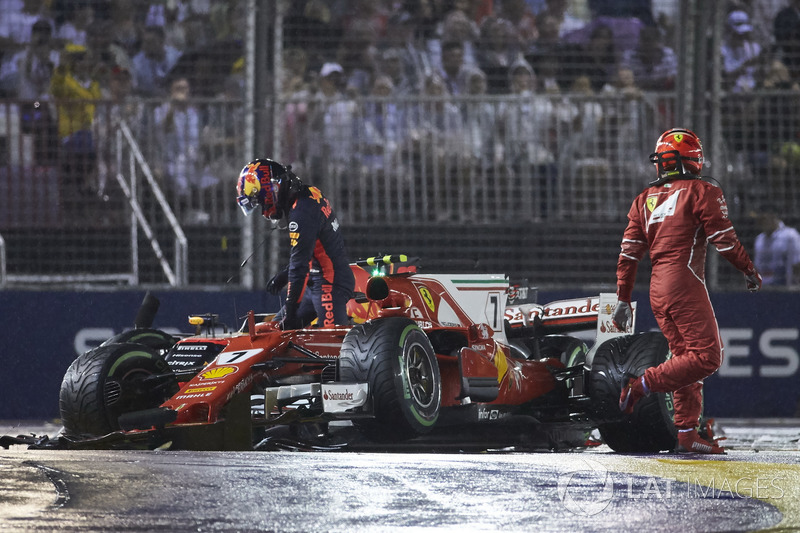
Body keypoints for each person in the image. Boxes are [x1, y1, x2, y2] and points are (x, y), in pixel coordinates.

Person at [612, 128, 762, 454]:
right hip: (685, 282)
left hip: (657, 289)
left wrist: (623, 299)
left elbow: (628, 255)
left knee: (685, 358)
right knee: (708, 357)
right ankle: (640, 386)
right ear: (695, 159)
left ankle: (686, 433)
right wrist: (749, 270)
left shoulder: (642, 200)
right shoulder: (701, 190)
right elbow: (724, 240)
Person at [236, 159, 354, 329]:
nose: (262, 210)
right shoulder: (306, 194)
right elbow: (310, 250)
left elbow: (300, 267)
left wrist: (291, 313)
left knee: (331, 346)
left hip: (330, 284)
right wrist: (285, 274)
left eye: (259, 201)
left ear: (270, 191)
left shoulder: (301, 213)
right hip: (316, 281)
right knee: (273, 333)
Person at [753, 208, 800, 286]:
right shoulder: (759, 239)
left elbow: (797, 264)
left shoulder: (791, 236)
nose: (761, 223)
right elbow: (757, 267)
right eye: (760, 220)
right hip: (764, 291)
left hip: (786, 289)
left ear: (773, 217)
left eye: (764, 219)